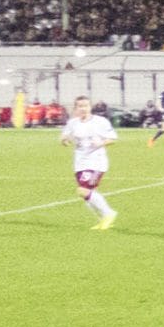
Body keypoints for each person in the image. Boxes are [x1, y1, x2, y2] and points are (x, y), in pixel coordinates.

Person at [60, 96, 118, 230]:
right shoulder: (73, 123)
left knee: (83, 190)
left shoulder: (100, 122)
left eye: (85, 105)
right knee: (89, 194)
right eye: (80, 106)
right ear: (75, 108)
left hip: (96, 162)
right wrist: (64, 140)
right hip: (80, 163)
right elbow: (64, 136)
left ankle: (109, 213)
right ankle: (103, 220)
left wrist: (101, 143)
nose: (83, 108)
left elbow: (113, 138)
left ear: (90, 107)